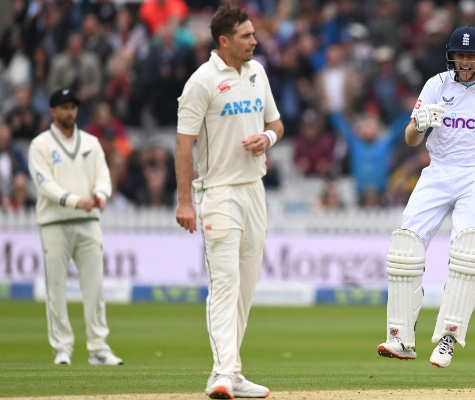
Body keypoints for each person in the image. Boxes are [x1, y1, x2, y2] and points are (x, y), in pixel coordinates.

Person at [377, 26, 475, 369]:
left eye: (472, 56)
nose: (465, 61)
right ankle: (401, 338)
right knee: (404, 246)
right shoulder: (435, 85)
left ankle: (448, 336)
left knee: (468, 249)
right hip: (439, 170)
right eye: (460, 55)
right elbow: (411, 139)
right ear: (451, 56)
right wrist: (418, 124)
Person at [174, 5, 283, 399]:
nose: (255, 40)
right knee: (225, 285)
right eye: (246, 36)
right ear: (224, 40)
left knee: (245, 289)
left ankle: (232, 374)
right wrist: (185, 201)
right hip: (217, 193)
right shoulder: (201, 82)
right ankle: (222, 373)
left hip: (254, 189)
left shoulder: (258, 72)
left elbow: (276, 123)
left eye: (254, 34)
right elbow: (183, 144)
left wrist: (266, 140)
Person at [28, 88, 123, 366]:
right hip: (55, 223)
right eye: (64, 107)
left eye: (73, 107)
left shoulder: (91, 142)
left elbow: (103, 177)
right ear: (52, 111)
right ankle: (62, 348)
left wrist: (101, 196)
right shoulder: (40, 145)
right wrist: (73, 201)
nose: (69, 112)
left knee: (94, 287)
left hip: (88, 222)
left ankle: (98, 348)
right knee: (55, 287)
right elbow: (44, 184)